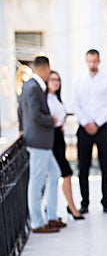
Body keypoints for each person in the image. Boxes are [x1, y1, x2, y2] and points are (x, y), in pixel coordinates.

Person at [18, 56, 67, 233]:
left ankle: (52, 216)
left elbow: (20, 110)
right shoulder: (32, 87)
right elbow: (35, 115)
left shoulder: (33, 86)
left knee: (55, 174)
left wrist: (21, 127)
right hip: (38, 141)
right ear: (46, 68)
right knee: (36, 182)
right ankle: (38, 223)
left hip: (42, 142)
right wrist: (51, 120)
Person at [73, 49, 107, 214]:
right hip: (84, 128)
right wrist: (86, 123)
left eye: (95, 61)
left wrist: (97, 123)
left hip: (103, 128)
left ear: (99, 61)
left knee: (106, 166)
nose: (92, 64)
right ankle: (84, 202)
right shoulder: (78, 81)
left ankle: (106, 201)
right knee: (83, 167)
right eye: (89, 61)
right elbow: (75, 104)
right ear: (86, 61)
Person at [47, 70, 84, 220]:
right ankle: (72, 208)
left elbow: (60, 116)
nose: (56, 82)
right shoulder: (45, 99)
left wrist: (60, 122)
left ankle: (60, 210)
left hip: (59, 139)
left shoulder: (56, 98)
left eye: (58, 80)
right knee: (65, 173)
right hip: (51, 140)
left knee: (61, 174)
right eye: (52, 80)